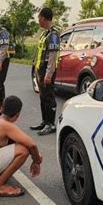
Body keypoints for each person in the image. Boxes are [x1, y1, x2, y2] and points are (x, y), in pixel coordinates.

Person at [30, 8, 60, 136]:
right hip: (40, 69)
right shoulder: (45, 33)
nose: (38, 21)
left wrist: (49, 73)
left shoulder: (53, 34)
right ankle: (44, 121)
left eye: (39, 18)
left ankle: (51, 124)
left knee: (49, 97)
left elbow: (53, 56)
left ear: (44, 18)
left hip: (47, 70)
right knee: (42, 96)